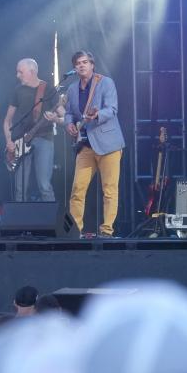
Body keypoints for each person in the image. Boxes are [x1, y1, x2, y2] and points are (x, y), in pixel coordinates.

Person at [64, 51, 125, 238]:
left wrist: (97, 115)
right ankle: (75, 231)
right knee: (77, 190)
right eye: (77, 63)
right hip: (85, 145)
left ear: (92, 65)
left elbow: (112, 108)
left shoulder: (105, 82)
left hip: (108, 144)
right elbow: (69, 113)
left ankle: (107, 231)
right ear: (74, 68)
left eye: (85, 62)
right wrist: (69, 124)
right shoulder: (72, 89)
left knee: (109, 190)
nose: (81, 65)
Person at [3, 58, 63, 202]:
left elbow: (65, 118)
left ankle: (50, 223)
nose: (17, 75)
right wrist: (9, 141)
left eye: (20, 72)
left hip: (44, 139)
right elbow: (7, 121)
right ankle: (19, 223)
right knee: (20, 188)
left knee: (44, 185)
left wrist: (54, 118)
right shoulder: (18, 90)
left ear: (32, 71)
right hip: (21, 141)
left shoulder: (49, 89)